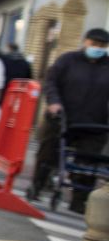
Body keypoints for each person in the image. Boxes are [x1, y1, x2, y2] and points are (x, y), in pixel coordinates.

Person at [29, 28, 109, 213]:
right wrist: (54, 102)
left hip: (94, 122)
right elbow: (51, 82)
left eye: (102, 45)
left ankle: (79, 200)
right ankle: (37, 185)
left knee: (88, 162)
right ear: (85, 42)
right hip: (62, 118)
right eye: (94, 44)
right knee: (48, 152)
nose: (97, 48)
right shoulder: (68, 60)